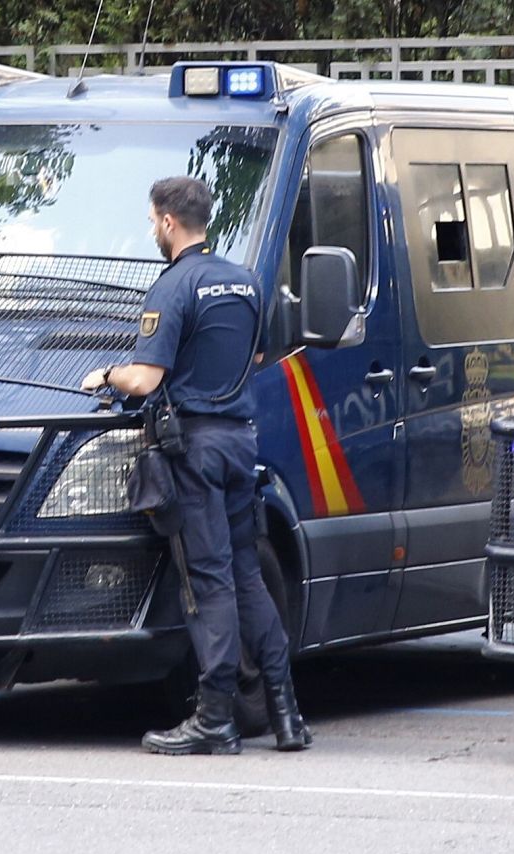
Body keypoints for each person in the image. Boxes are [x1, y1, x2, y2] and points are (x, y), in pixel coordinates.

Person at [80, 176, 311, 755]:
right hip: (240, 444)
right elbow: (258, 354)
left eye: (151, 222)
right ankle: (287, 715)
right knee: (247, 575)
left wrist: (106, 375)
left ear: (167, 221)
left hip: (195, 451)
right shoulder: (247, 282)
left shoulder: (174, 286)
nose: (152, 231)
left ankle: (214, 718)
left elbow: (145, 379)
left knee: (208, 581)